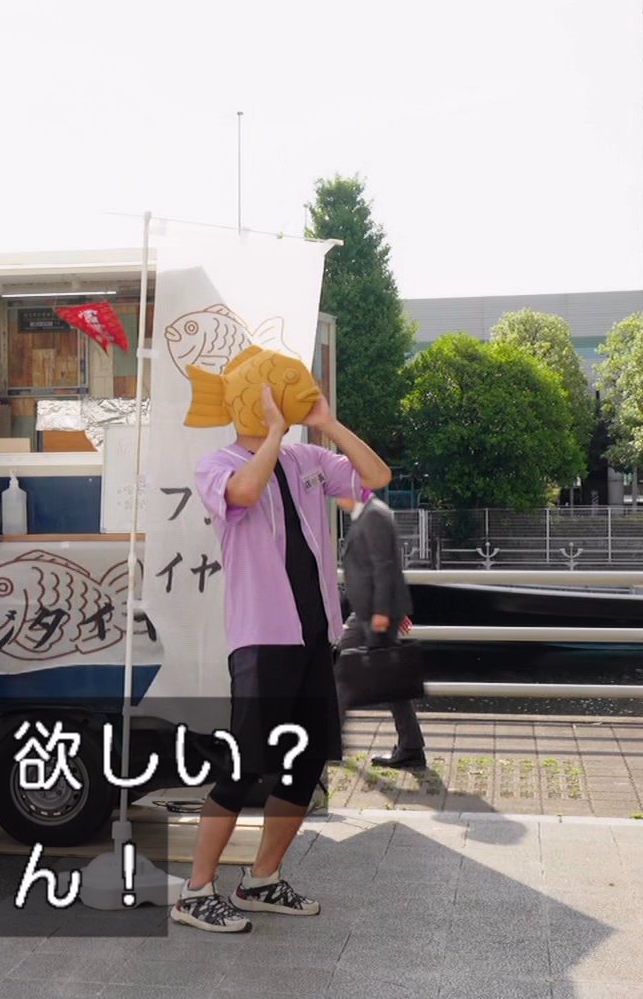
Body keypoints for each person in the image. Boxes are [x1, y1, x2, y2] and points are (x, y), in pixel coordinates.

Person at [180, 387, 392, 934]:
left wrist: (328, 423)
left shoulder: (308, 459)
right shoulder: (218, 464)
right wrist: (274, 432)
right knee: (243, 766)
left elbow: (377, 477)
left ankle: (261, 880)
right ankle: (196, 891)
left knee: (306, 762)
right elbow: (245, 492)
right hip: (261, 639)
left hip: (315, 637)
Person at [342, 489, 426, 769]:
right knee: (390, 681)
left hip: (372, 614)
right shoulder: (367, 514)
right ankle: (411, 746)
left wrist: (383, 611)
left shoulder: (373, 514)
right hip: (368, 611)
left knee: (343, 669)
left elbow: (384, 565)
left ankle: (331, 743)